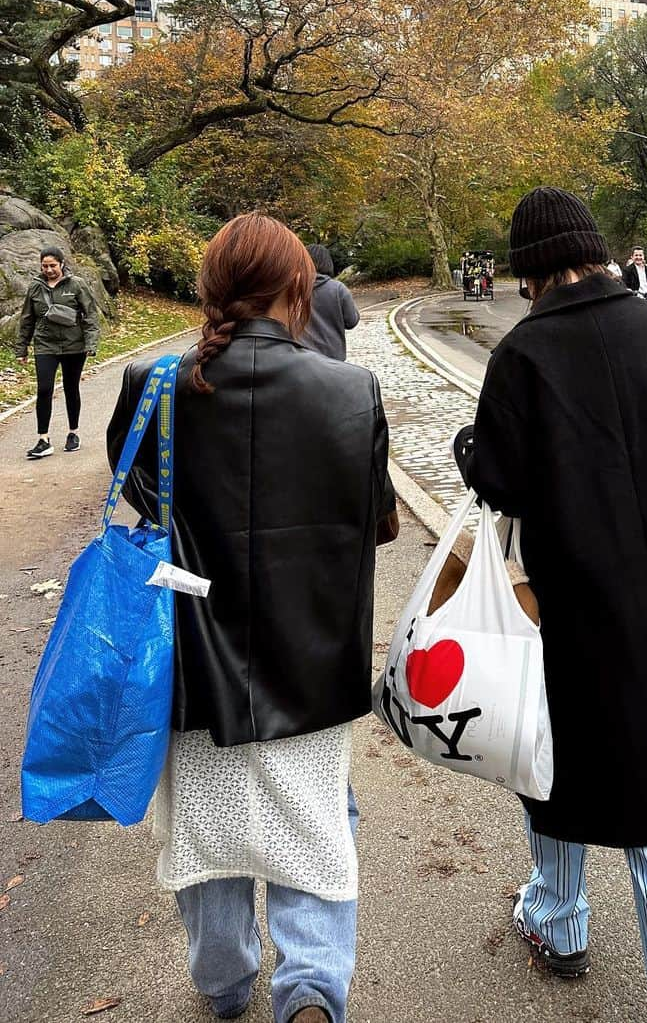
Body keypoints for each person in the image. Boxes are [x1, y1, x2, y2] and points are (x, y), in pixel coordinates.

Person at [454, 187, 647, 1023]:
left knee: (548, 756)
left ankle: (562, 920)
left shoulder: (524, 353)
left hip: (571, 597)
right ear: (592, 245)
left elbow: (500, 479)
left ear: (528, 270)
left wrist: (469, 446)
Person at [107, 213, 397, 1023]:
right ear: (301, 288)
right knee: (315, 824)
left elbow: (139, 496)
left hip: (192, 659)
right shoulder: (351, 390)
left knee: (203, 834)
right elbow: (378, 517)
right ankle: (308, 985)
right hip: (311, 658)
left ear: (209, 290)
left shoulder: (152, 385)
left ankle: (225, 982)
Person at [16, 245, 100, 460]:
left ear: (62, 264)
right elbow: (27, 319)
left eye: (52, 265)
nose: (49, 270)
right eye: (44, 266)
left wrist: (91, 343)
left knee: (71, 388)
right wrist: (22, 348)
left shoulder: (76, 284)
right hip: (45, 345)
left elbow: (90, 314)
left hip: (74, 345)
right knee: (44, 389)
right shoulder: (35, 287)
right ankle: (43, 439)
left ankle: (73, 433)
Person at [301, 244, 360, 361]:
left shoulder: (293, 289)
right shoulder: (338, 289)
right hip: (333, 358)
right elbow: (352, 321)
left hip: (302, 357)